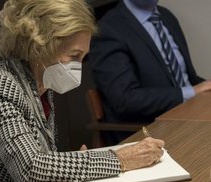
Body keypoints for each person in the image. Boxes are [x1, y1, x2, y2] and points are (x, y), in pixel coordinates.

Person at [0, 0, 164, 182]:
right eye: (74, 55)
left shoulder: (40, 84)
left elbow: (39, 160)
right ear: (41, 46)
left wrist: (75, 165)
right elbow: (32, 168)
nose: (78, 66)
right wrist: (119, 160)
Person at [89, 0, 211, 144]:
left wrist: (203, 88)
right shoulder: (107, 29)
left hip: (193, 115)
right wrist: (191, 92)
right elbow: (126, 100)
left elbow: (185, 78)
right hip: (150, 133)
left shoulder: (166, 16)